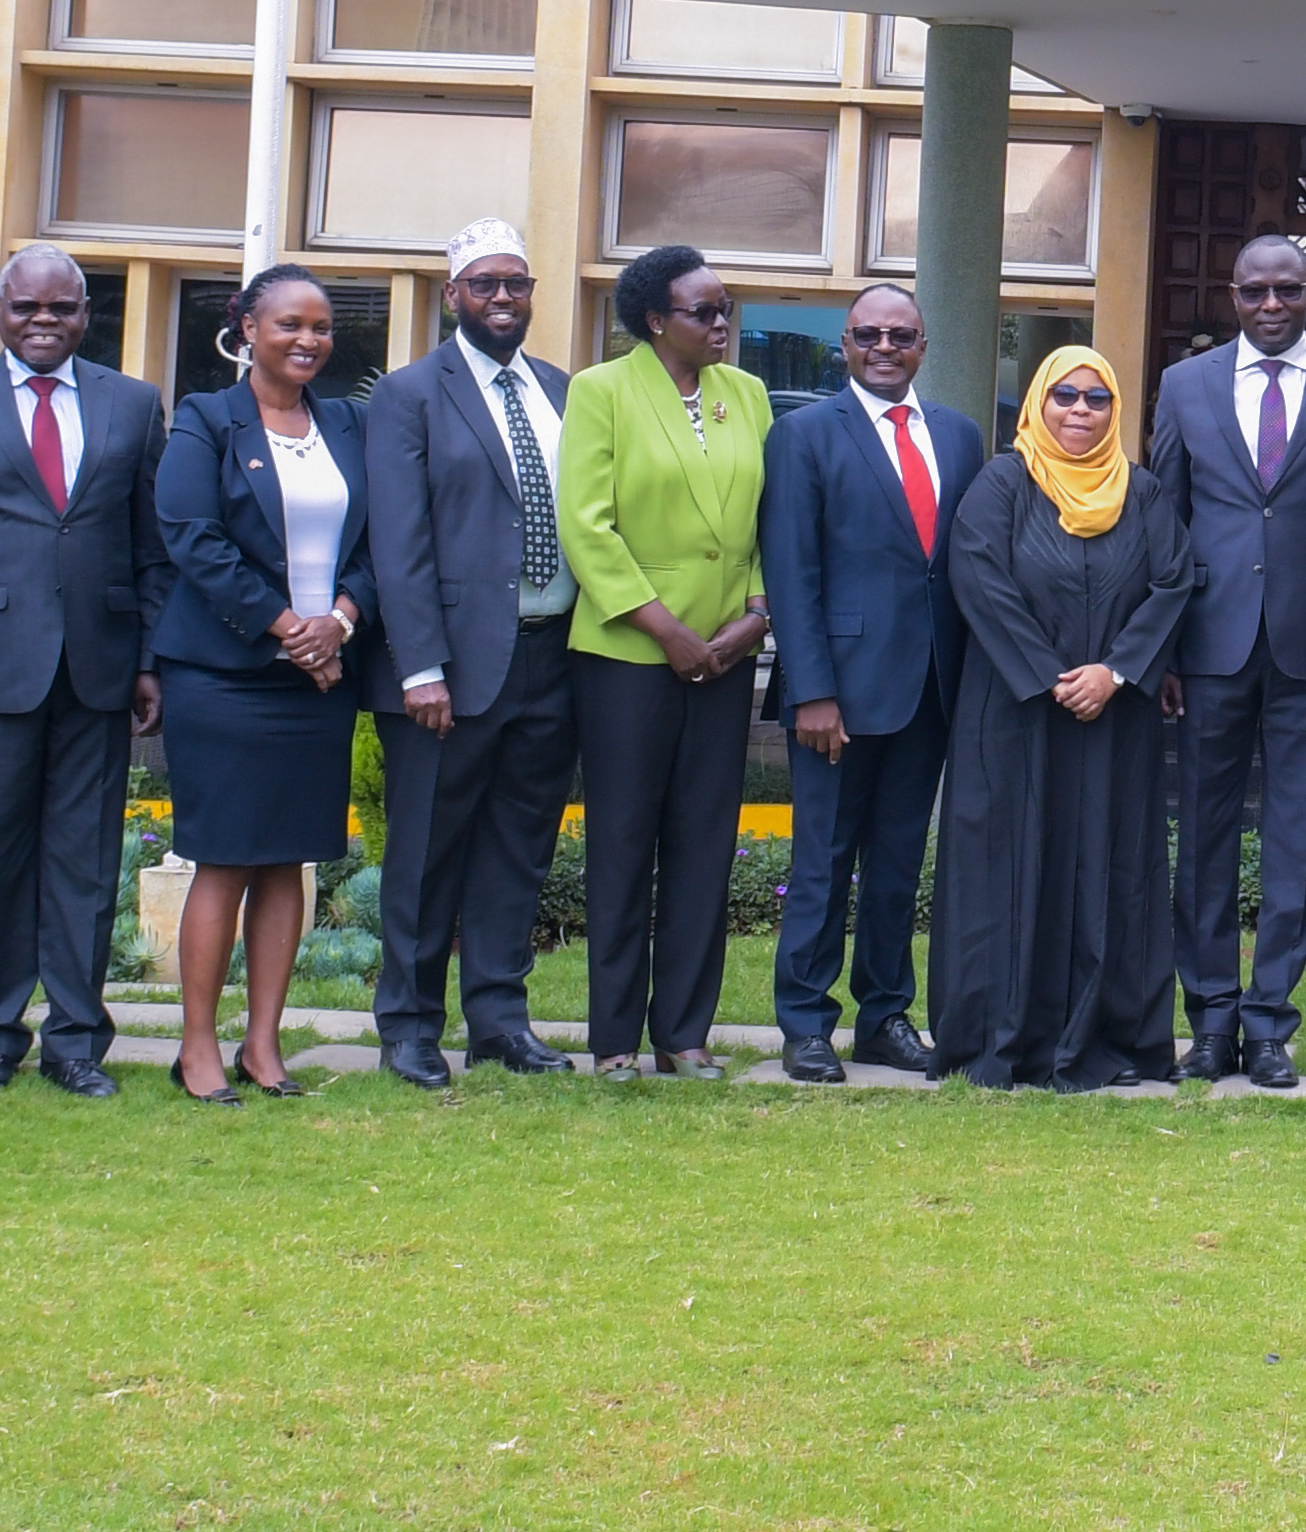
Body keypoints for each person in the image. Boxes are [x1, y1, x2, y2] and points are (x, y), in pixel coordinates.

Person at [0, 245, 165, 1097]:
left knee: (86, 865)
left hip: (99, 670)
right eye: (26, 309)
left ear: (87, 313)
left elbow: (150, 549)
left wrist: (150, 662)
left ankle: (78, 1042)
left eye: (62, 309)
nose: (43, 322)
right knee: (0, 862)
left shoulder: (132, 404)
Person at [927, 346, 1195, 1090]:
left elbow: (1173, 581)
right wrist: (1051, 678)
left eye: (1097, 398)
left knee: (1111, 867)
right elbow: (977, 577)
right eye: (1065, 396)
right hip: (1013, 719)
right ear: (1037, 403)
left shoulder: (1140, 493)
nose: (1080, 411)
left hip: (1113, 719)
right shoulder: (1002, 484)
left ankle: (1107, 1039)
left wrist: (1115, 671)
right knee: (1009, 868)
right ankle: (999, 1038)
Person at [1148, 233, 1306, 1085]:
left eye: (1287, 290)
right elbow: (1163, 523)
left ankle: (1271, 1024)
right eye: (1255, 292)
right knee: (1203, 838)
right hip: (1207, 645)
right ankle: (1209, 1020)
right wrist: (1160, 645)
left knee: (1293, 838)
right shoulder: (1186, 383)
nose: (1271, 305)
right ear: (1233, 297)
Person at [362, 222, 582, 1088]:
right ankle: (410, 1026)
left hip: (551, 656)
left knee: (518, 849)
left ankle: (499, 1020)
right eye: (485, 284)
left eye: (517, 284)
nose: (503, 299)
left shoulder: (563, 392)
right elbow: (399, 537)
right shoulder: (412, 393)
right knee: (424, 851)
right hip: (447, 668)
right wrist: (419, 665)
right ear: (453, 294)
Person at [153, 267, 376, 1103]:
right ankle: (199, 1047)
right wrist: (289, 627)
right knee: (226, 859)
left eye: (320, 326)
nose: (309, 340)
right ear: (247, 328)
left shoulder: (349, 425)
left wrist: (341, 622)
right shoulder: (207, 420)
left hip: (320, 680)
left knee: (290, 860)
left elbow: (384, 537)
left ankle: (263, 1045)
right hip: (227, 674)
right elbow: (191, 538)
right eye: (289, 324)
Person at [559, 244, 771, 1079]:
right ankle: (614, 1041)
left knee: (703, 845)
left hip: (726, 655)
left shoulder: (747, 396)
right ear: (656, 320)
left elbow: (761, 521)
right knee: (621, 843)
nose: (722, 325)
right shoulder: (600, 391)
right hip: (627, 655)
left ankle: (684, 1033)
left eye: (727, 311)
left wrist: (754, 616)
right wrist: (667, 630)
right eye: (704, 312)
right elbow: (588, 526)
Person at [758, 279, 978, 1081]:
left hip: (930, 690)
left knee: (895, 864)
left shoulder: (957, 437)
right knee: (822, 862)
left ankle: (884, 1016)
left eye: (901, 336)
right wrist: (811, 689)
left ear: (924, 345)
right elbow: (791, 571)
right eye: (868, 335)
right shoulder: (805, 437)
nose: (884, 348)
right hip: (838, 696)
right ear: (843, 346)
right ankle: (807, 1022)